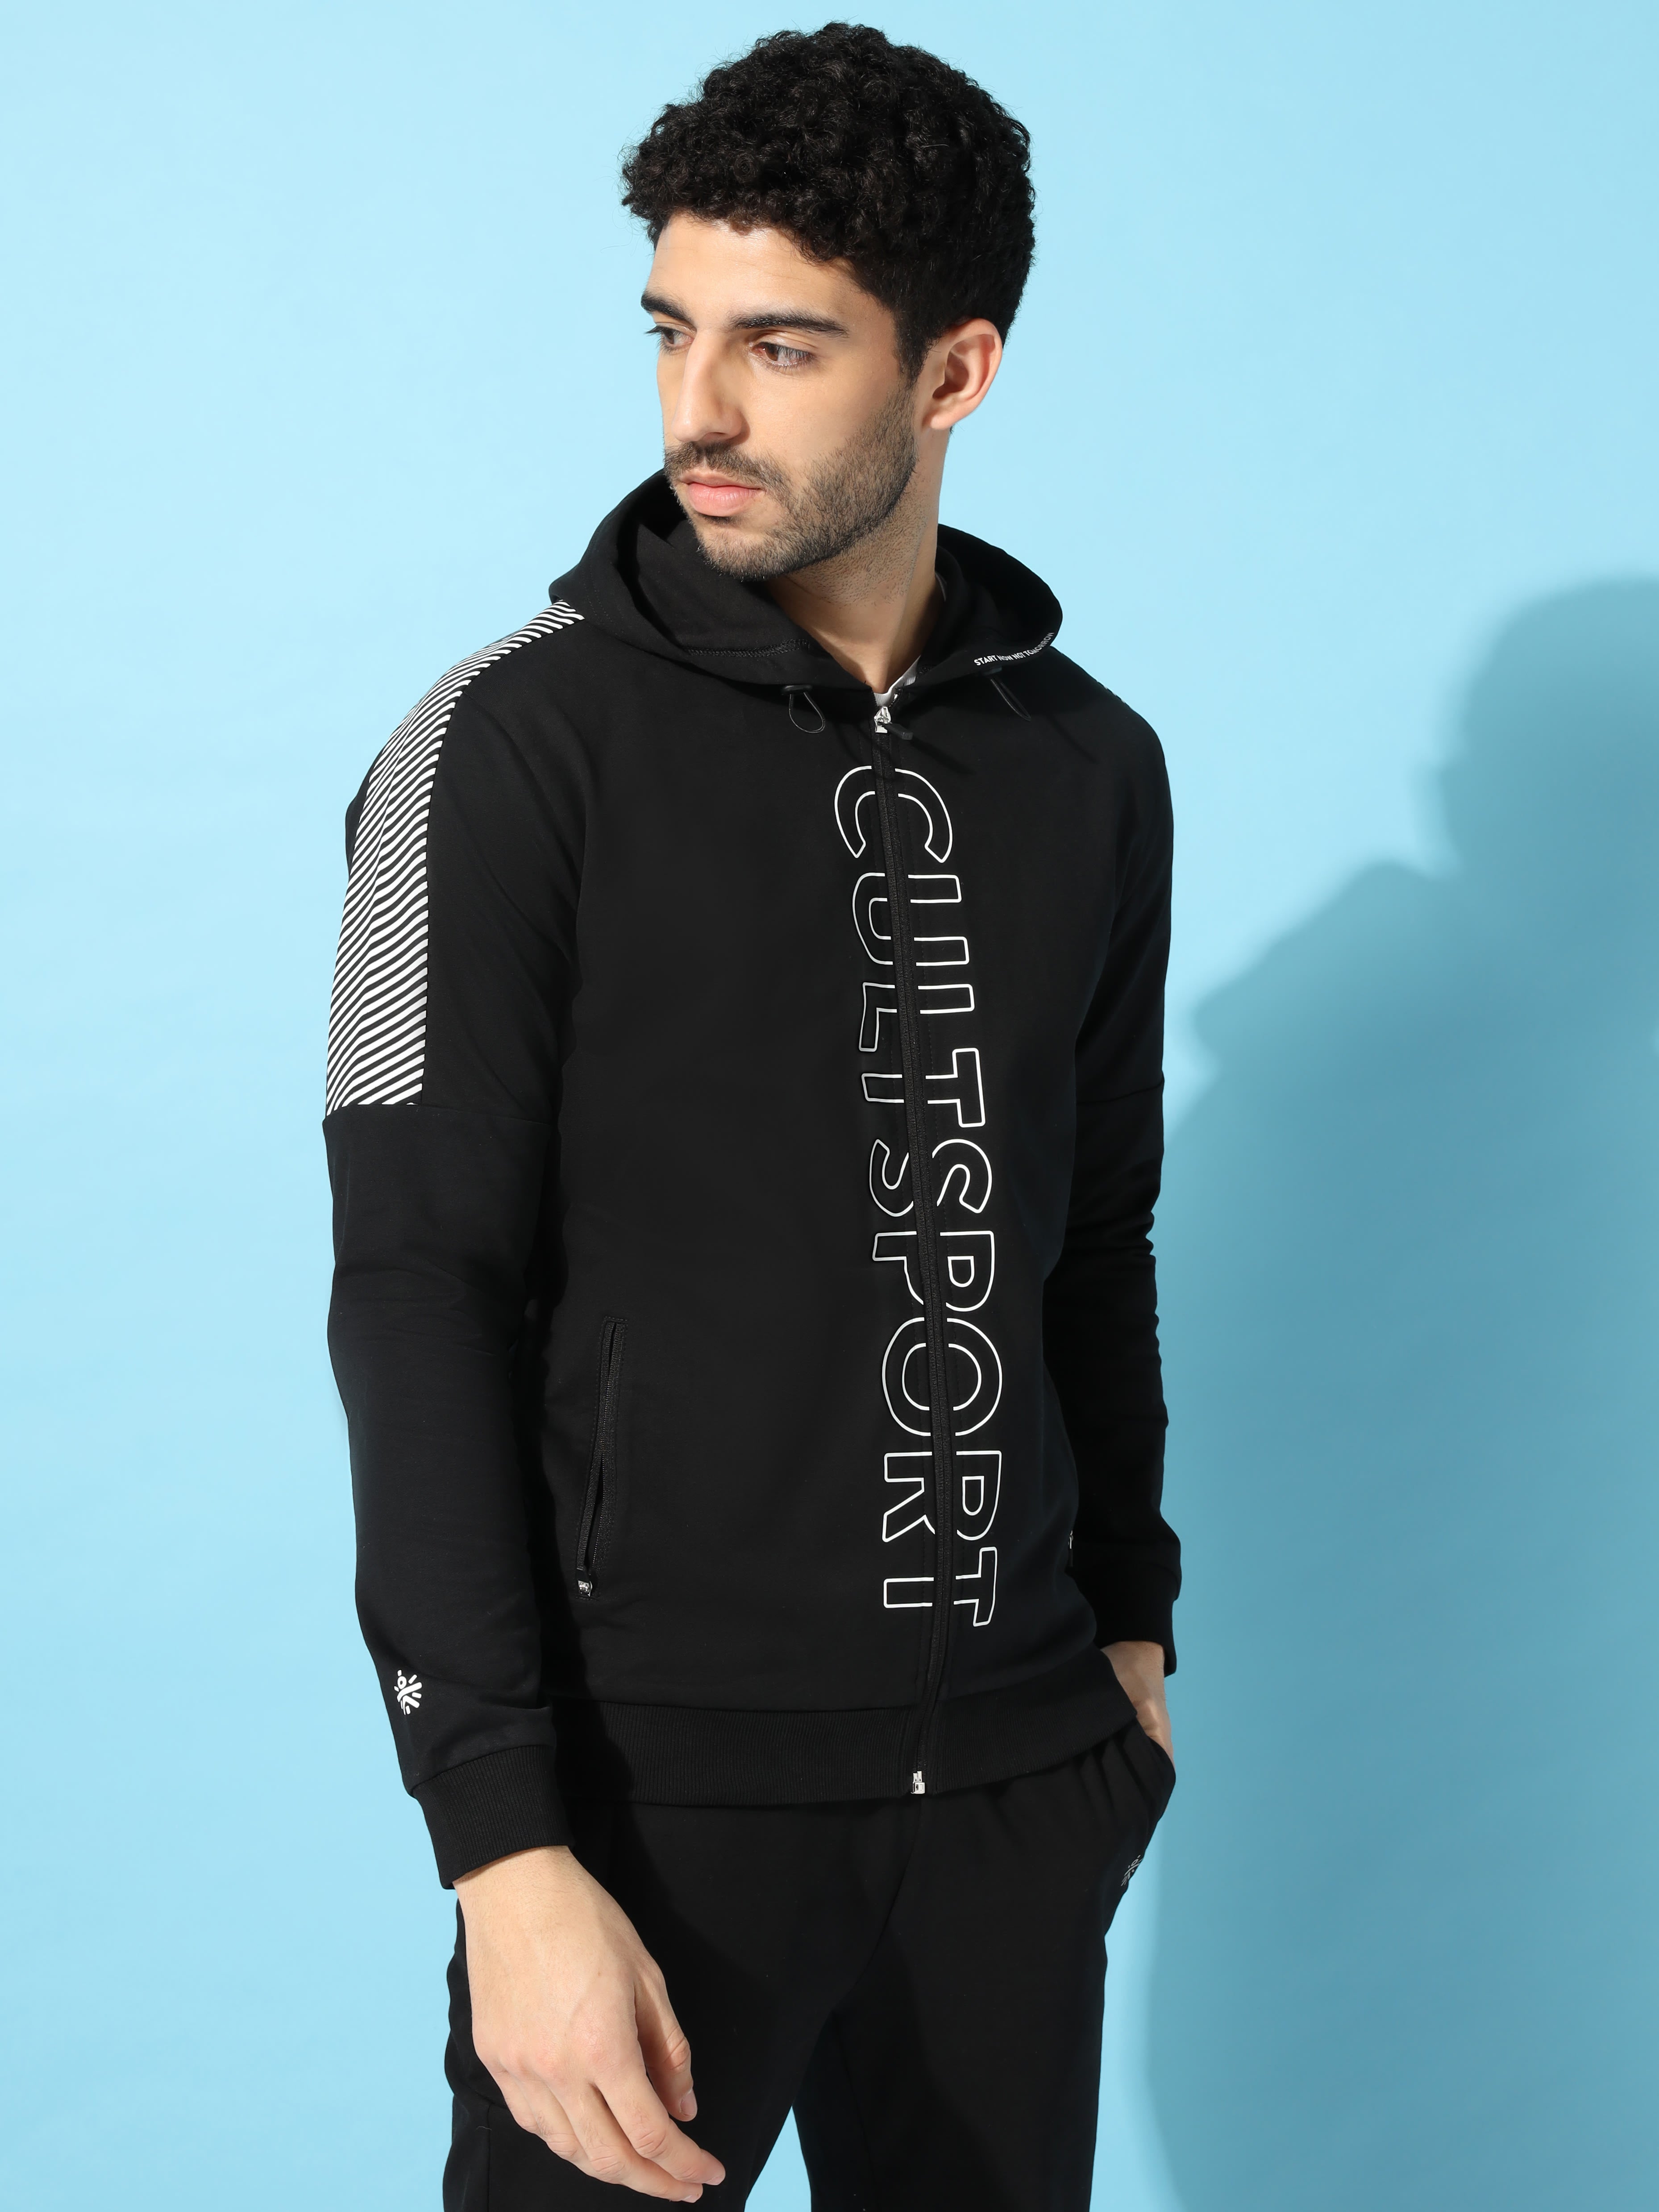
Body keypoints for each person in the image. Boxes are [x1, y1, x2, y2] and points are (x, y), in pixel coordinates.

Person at [324, 24, 1180, 2210]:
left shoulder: (1089, 764)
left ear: (953, 374)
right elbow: (415, 1289)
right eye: (671, 332)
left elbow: (1092, 1232)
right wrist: (500, 1845)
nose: (697, 409)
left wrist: (1130, 1643)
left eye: (781, 347)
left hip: (1018, 1800)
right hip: (647, 1818)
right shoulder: (493, 751)